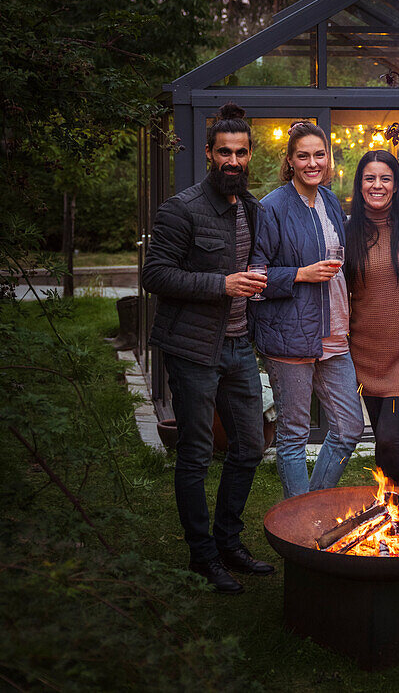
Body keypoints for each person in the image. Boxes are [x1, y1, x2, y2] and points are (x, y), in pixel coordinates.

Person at [142, 103, 274, 594]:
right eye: (225, 152)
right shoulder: (182, 209)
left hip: (239, 346)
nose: (233, 161)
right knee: (196, 455)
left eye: (241, 152)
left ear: (249, 155)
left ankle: (228, 541)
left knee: (248, 448)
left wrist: (254, 286)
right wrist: (221, 284)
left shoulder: (254, 209)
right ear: (210, 155)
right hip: (192, 350)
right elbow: (155, 274)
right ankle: (202, 555)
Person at [251, 122, 364, 498]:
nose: (313, 163)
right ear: (290, 160)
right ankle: (298, 524)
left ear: (328, 159)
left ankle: (311, 505)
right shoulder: (272, 207)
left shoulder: (330, 200)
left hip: (333, 332)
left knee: (349, 428)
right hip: (290, 335)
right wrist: (300, 274)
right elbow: (254, 277)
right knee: (294, 434)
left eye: (319, 155)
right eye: (304, 156)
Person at [345, 150, 399, 488]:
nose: (377, 185)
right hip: (365, 355)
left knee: (389, 437)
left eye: (385, 178)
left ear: (396, 185)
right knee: (382, 443)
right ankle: (391, 518)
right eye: (370, 178)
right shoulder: (348, 232)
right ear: (360, 184)